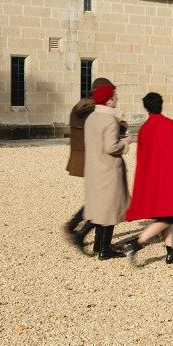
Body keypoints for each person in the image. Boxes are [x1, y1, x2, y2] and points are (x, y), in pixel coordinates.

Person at [122, 92, 173, 266]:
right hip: (170, 179)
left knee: (165, 214)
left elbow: (144, 159)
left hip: (154, 181)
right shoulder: (170, 125)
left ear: (146, 108)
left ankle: (171, 251)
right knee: (171, 215)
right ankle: (136, 243)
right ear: (161, 104)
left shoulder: (145, 128)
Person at [82, 83, 132, 260]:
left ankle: (98, 245)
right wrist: (126, 143)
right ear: (109, 100)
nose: (117, 99)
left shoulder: (92, 117)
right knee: (110, 209)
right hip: (109, 169)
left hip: (94, 167)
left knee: (101, 207)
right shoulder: (109, 120)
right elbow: (111, 147)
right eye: (115, 96)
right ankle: (105, 250)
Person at [64, 77, 114, 253]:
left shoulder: (82, 105)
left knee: (98, 198)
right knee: (105, 200)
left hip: (85, 158)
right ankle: (89, 238)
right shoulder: (94, 110)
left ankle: (77, 228)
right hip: (95, 161)